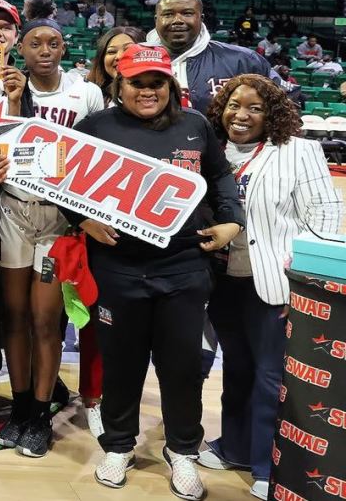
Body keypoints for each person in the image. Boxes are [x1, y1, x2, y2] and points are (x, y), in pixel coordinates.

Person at [73, 44, 243, 500]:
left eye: (156, 83)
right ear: (119, 84)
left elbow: (220, 177)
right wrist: (81, 219)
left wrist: (231, 220)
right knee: (121, 363)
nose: (147, 91)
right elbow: (60, 180)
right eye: (137, 83)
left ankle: (183, 450)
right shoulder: (96, 126)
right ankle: (119, 445)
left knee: (182, 365)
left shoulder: (195, 125)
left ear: (170, 85)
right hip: (118, 267)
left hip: (184, 265)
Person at [201, 75, 344, 499]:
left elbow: (325, 220)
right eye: (233, 105)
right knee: (236, 369)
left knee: (269, 375)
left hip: (273, 282)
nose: (241, 115)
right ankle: (235, 447)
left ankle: (268, 465)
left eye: (255, 108)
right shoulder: (211, 149)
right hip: (221, 280)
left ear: (272, 114)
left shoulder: (299, 151)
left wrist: (303, 284)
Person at [0, 1, 105, 457]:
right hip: (14, 211)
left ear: (64, 47)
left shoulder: (85, 94)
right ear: (22, 48)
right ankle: (19, 408)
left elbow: (99, 157)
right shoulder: (5, 90)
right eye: (35, 43)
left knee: (45, 319)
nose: (45, 50)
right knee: (13, 316)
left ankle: (40, 414)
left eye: (53, 43)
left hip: (60, 219)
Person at [145, 0, 273, 114]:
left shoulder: (245, 60)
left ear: (201, 18)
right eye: (168, 14)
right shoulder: (137, 60)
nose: (177, 20)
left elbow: (280, 103)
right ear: (156, 20)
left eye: (187, 13)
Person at [88, 26, 146, 102]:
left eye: (129, 50)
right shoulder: (88, 94)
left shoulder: (155, 96)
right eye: (111, 52)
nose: (119, 56)